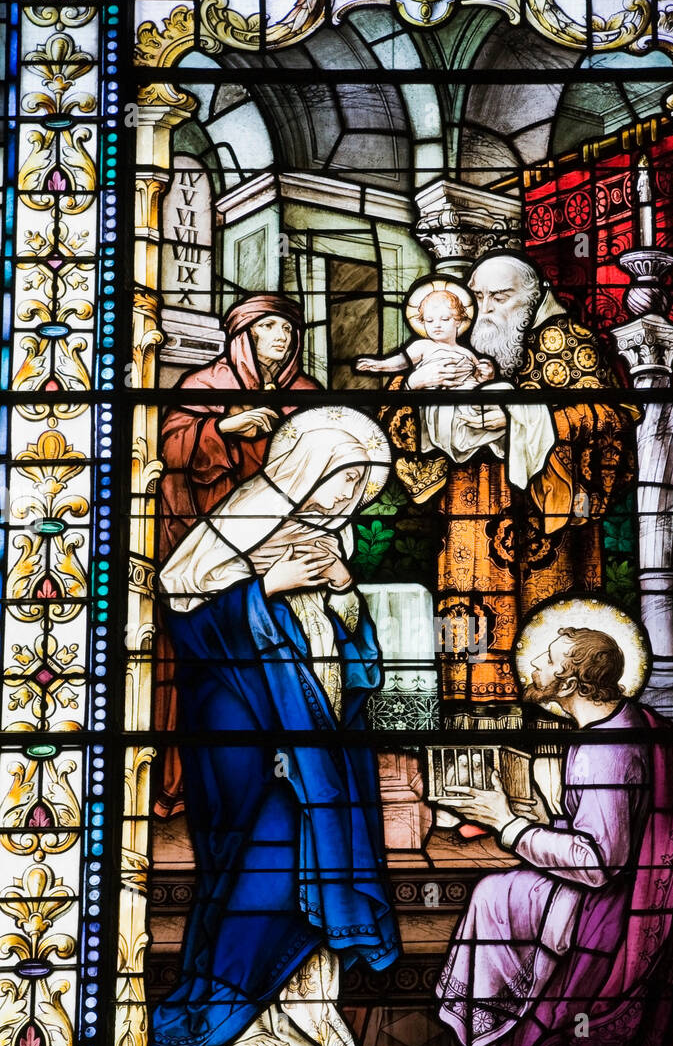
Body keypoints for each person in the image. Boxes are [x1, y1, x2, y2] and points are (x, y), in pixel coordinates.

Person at [400, 600, 673, 1046]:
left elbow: (598, 862)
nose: (531, 670)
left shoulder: (604, 748)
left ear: (573, 681)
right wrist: (540, 822)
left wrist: (509, 825)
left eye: (545, 662)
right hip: (649, 887)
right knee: (501, 892)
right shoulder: (634, 723)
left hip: (619, 908)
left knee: (495, 898)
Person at [151, 406, 400, 1046]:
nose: (348, 497)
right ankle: (240, 1008)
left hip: (319, 737)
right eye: (341, 479)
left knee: (315, 855)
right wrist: (265, 589)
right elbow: (186, 615)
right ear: (303, 468)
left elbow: (355, 661)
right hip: (246, 735)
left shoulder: (332, 540)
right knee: (263, 862)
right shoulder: (238, 521)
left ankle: (309, 1007)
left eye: (360, 487)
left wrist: (345, 595)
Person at [381, 254, 639, 707]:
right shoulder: (448, 350)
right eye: (478, 298)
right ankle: (468, 711)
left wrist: (523, 419)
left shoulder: (567, 342)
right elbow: (394, 421)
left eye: (500, 298)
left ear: (534, 295)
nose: (486, 309)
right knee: (466, 627)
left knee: (552, 632)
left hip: (547, 517)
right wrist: (414, 390)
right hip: (466, 513)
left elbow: (611, 416)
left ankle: (558, 718)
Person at [154, 293, 321, 817]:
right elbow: (167, 447)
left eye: (288, 330)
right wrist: (223, 429)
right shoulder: (204, 387)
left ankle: (291, 782)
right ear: (243, 334)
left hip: (286, 540)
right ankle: (190, 784)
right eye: (269, 327)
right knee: (212, 660)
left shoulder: (308, 392)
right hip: (210, 543)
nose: (282, 337)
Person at [355, 281, 495, 387]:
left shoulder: (467, 352)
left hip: (469, 392)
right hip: (439, 398)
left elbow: (478, 376)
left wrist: (486, 375)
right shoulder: (423, 345)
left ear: (458, 321)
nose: (437, 325)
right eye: (429, 320)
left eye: (445, 319)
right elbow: (401, 362)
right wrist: (379, 365)